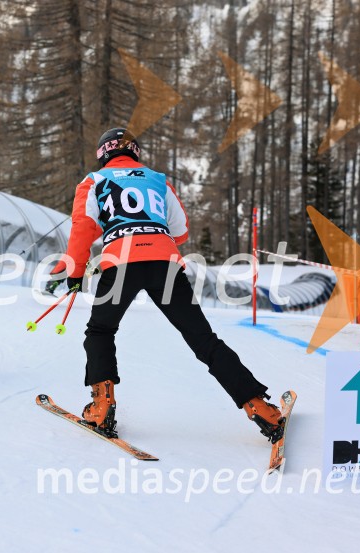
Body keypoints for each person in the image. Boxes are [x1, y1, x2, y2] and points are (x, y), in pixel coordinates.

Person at [60, 127, 284, 442]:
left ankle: (101, 407)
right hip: (164, 263)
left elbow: (83, 227)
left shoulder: (93, 182)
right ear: (134, 152)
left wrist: (74, 269)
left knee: (100, 331)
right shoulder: (158, 179)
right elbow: (180, 230)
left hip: (120, 264)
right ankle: (262, 408)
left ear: (103, 154)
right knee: (204, 340)